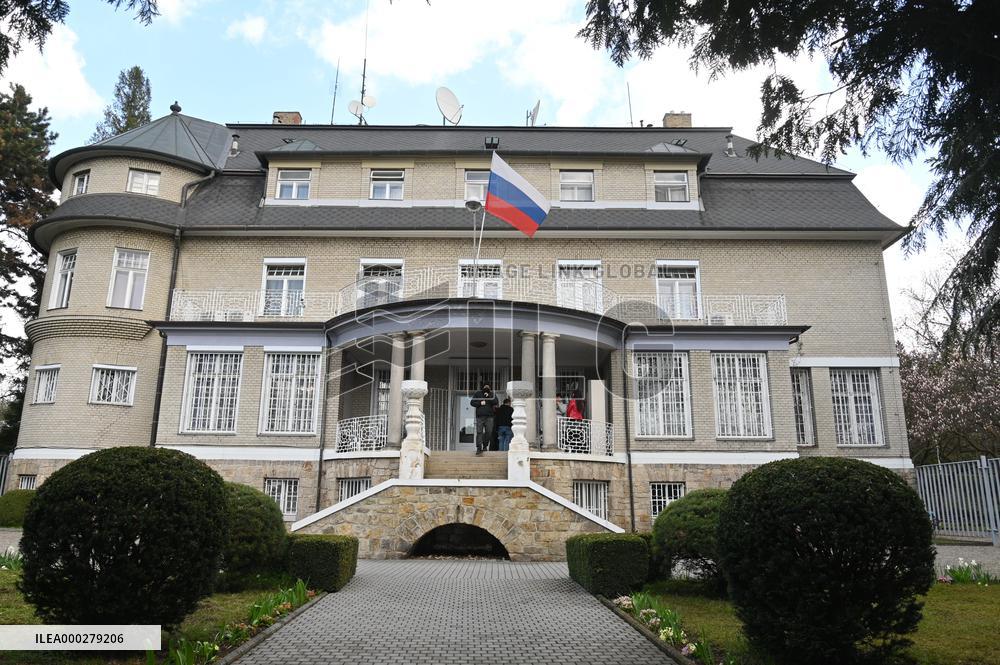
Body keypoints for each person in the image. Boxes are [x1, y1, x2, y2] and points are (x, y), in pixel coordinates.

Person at [470, 383, 498, 455]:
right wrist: (480, 403)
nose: (486, 387)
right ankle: (479, 447)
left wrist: (488, 396)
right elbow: (472, 403)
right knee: (479, 432)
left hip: (489, 417)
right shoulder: (478, 393)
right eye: (485, 386)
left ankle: (485, 445)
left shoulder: (492, 394)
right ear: (482, 387)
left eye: (488, 386)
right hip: (480, 416)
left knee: (489, 432)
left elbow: (496, 402)